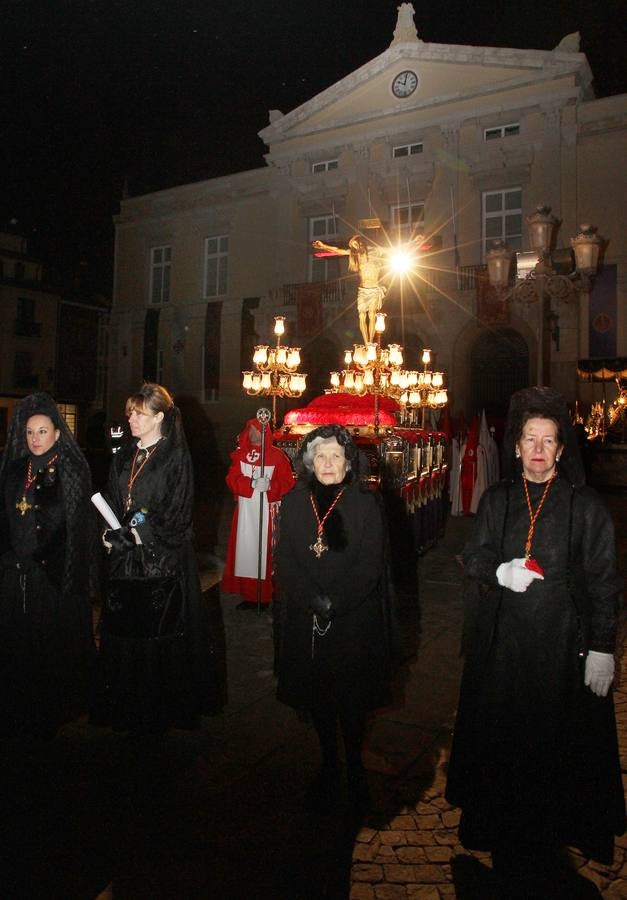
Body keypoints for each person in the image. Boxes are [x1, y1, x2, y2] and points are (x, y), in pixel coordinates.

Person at [445, 387, 625, 896]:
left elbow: (603, 582)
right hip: (503, 653)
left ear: (562, 450)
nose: (540, 449)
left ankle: (548, 848)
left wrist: (603, 647)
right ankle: (507, 843)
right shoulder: (498, 499)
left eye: (549, 441)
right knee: (506, 747)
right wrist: (499, 571)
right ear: (517, 446)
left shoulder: (584, 505)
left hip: (563, 653)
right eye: (530, 439)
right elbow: (474, 558)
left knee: (555, 750)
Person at [274, 424, 397, 812]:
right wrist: (311, 598)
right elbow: (286, 559)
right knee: (319, 696)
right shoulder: (294, 502)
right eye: (320, 457)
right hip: (307, 615)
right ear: (310, 461)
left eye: (336, 457)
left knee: (351, 699)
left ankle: (355, 765)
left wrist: (336, 602)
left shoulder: (366, 503)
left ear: (349, 463)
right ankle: (329, 762)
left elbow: (370, 564)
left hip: (352, 618)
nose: (328, 464)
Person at [91, 382, 221, 734]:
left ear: (160, 417)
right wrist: (109, 531)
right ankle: (124, 704)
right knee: (123, 628)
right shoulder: (124, 455)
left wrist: (136, 534)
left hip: (159, 560)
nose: (131, 419)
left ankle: (156, 710)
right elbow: (112, 498)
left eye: (139, 413)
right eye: (130, 412)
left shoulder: (175, 458)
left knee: (155, 631)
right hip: (124, 558)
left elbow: (177, 512)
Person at [0, 392, 96, 739]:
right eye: (29, 432)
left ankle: (48, 712)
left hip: (52, 576)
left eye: (42, 431)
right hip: (16, 574)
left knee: (47, 648)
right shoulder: (14, 470)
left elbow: (76, 529)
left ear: (57, 433)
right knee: (17, 645)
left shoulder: (70, 471)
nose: (35, 438)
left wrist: (56, 569)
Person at [221, 416, 294, 609]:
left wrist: (271, 486)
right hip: (246, 513)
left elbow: (288, 483)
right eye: (251, 428)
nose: (254, 432)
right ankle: (251, 596)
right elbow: (231, 478)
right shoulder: (240, 455)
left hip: (268, 512)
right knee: (247, 552)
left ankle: (267, 595)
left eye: (259, 429)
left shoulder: (277, 456)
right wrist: (250, 483)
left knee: (267, 553)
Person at [312, 235, 387, 344]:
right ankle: (366, 343)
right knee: (362, 315)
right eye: (353, 246)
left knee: (371, 314)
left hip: (374, 289)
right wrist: (323, 246)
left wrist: (414, 242)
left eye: (356, 244)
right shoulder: (356, 254)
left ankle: (370, 343)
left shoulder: (377, 250)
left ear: (361, 243)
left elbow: (396, 249)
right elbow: (338, 251)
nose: (355, 247)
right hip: (363, 290)